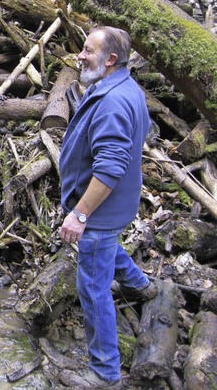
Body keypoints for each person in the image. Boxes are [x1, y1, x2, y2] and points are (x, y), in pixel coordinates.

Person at [58, 26, 158, 389]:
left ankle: (104, 372)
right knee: (107, 250)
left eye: (87, 50)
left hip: (100, 214)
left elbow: (111, 167)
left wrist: (80, 214)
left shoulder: (113, 101)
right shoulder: (124, 87)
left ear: (110, 59)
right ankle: (142, 286)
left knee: (94, 289)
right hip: (114, 211)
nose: (80, 56)